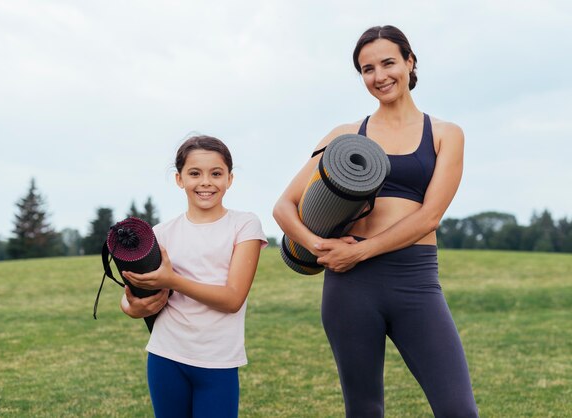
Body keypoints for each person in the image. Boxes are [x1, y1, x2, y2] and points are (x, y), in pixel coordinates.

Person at [273, 25, 479, 417]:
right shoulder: (345, 135)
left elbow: (430, 216)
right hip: (349, 288)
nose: (379, 76)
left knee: (458, 410)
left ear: (410, 62)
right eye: (368, 69)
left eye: (388, 63)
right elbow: (284, 206)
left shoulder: (445, 134)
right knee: (364, 410)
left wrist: (363, 251)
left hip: (414, 282)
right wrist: (319, 248)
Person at [120, 135, 268, 418]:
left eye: (216, 173)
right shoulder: (160, 234)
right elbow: (130, 300)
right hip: (166, 357)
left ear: (230, 178)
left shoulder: (244, 225)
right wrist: (133, 307)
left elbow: (233, 298)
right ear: (179, 179)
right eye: (194, 173)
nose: (206, 182)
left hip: (218, 361)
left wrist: (172, 281)